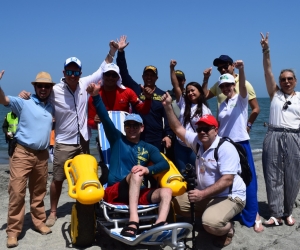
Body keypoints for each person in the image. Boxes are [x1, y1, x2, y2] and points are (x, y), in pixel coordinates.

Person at [19, 40, 120, 227]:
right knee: (58, 178)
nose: (73, 75)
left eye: (76, 72)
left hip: (83, 140)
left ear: (80, 73)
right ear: (64, 72)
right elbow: (39, 96)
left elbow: (102, 68)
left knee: (86, 175)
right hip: (64, 142)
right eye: (69, 72)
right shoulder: (55, 90)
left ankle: (85, 205)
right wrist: (25, 97)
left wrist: (112, 51)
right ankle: (54, 212)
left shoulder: (84, 84)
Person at [87, 81, 172, 237]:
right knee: (137, 174)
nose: (131, 128)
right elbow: (105, 119)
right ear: (124, 127)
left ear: (142, 128)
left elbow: (164, 164)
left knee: (166, 191)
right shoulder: (117, 140)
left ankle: (160, 224)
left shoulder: (148, 147)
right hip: (116, 190)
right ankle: (134, 220)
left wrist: (148, 169)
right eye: (128, 125)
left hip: (138, 192)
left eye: (135, 126)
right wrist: (95, 96)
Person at [161, 93, 246, 248]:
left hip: (229, 195)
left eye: (206, 129)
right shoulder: (198, 142)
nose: (202, 132)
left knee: (210, 224)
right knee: (175, 205)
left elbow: (228, 180)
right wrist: (167, 106)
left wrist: (202, 194)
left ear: (215, 129)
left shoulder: (225, 148)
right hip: (207, 195)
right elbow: (177, 128)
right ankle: (212, 214)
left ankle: (227, 228)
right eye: (199, 129)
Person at [0, 70, 54, 248]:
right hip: (22, 152)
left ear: (50, 88)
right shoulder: (24, 101)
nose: (43, 89)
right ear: (35, 87)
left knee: (39, 192)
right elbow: (4, 100)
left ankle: (39, 222)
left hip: (42, 155)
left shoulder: (51, 106)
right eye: (40, 86)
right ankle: (13, 231)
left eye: (47, 86)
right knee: (17, 191)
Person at [217, 60, 264, 233]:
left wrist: (242, 69)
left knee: (248, 180)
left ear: (233, 85)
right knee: (230, 181)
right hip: (225, 146)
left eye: (229, 85)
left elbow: (242, 86)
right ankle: (235, 211)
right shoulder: (222, 104)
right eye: (223, 86)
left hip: (241, 144)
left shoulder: (241, 99)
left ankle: (254, 214)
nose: (226, 88)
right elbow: (220, 126)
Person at [260, 32, 300, 227]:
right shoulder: (274, 94)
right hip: (273, 134)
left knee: (292, 175)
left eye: (289, 79)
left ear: (295, 80)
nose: (286, 81)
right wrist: (266, 50)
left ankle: (288, 211)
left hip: (294, 137)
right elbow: (268, 72)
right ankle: (275, 213)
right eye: (283, 79)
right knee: (273, 174)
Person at [116, 35, 173, 153]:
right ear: (142, 77)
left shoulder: (163, 94)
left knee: (155, 167)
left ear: (157, 78)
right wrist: (120, 52)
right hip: (136, 135)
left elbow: (168, 118)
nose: (149, 77)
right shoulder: (136, 89)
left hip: (156, 138)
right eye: (146, 75)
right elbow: (123, 72)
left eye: (152, 75)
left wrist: (168, 135)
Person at [170, 60, 211, 173]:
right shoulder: (183, 102)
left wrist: (206, 79)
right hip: (180, 145)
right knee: (183, 173)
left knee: (197, 174)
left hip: (195, 146)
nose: (190, 93)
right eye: (188, 91)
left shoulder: (204, 109)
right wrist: (171, 69)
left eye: (193, 90)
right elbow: (176, 85)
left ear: (199, 92)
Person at [202, 55, 260, 133]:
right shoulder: (218, 85)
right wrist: (206, 78)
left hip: (238, 133)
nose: (222, 70)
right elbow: (203, 96)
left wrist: (248, 125)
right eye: (219, 68)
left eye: (225, 66)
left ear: (233, 66)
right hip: (221, 131)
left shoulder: (244, 84)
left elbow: (256, 108)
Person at [87, 62, 152, 130]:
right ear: (103, 75)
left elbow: (144, 111)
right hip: (104, 136)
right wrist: (95, 122)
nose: (110, 77)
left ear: (118, 77)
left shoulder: (127, 92)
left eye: (114, 75)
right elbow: (90, 123)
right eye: (108, 74)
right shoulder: (95, 95)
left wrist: (148, 98)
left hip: (124, 134)